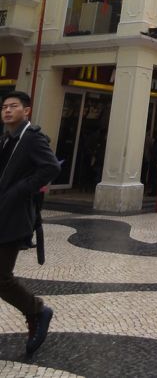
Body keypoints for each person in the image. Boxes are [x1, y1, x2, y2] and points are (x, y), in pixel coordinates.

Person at [1, 91, 61, 356]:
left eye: (13, 106)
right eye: (4, 106)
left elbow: (50, 167)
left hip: (14, 217)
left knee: (1, 278)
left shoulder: (33, 138)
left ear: (26, 110)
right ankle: (36, 311)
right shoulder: (5, 139)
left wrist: (20, 190)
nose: (7, 111)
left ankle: (38, 310)